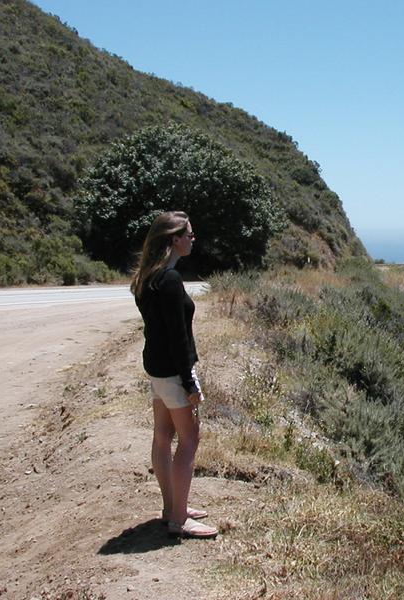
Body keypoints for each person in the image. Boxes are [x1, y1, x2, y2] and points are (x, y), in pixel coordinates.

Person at [131, 211, 217, 539]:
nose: (193, 239)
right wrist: (190, 380)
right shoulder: (169, 281)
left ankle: (172, 508)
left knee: (162, 436)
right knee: (190, 440)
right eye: (189, 235)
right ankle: (179, 518)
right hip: (172, 372)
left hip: (156, 370)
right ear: (174, 239)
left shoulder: (147, 278)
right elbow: (177, 337)